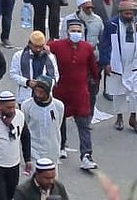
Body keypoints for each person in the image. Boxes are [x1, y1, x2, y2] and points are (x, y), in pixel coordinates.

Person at [49, 19, 99, 170]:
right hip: (60, 91)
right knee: (59, 121)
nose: (76, 33)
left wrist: (95, 81)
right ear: (67, 31)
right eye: (73, 30)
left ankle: (86, 155)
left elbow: (93, 68)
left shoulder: (87, 48)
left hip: (80, 93)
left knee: (84, 124)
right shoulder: (56, 46)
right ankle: (61, 146)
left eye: (78, 31)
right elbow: (43, 51)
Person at [100, 0, 137, 134]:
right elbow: (105, 45)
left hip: (135, 64)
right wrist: (106, 62)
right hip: (117, 64)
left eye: (131, 13)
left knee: (136, 92)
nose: (129, 16)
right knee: (118, 92)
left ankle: (133, 118)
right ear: (120, 12)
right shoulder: (112, 25)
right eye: (126, 14)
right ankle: (119, 117)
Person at [21, 79, 64, 172]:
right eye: (36, 91)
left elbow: (58, 125)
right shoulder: (27, 105)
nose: (38, 94)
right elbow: (25, 127)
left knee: (51, 181)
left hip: (52, 149)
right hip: (34, 149)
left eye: (41, 92)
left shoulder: (58, 106)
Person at [9, 32, 59, 104]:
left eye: (40, 47)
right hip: (25, 97)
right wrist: (27, 82)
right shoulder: (18, 56)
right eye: (35, 46)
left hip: (44, 97)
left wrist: (45, 84)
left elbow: (55, 76)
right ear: (30, 44)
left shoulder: (50, 57)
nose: (38, 49)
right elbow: (13, 74)